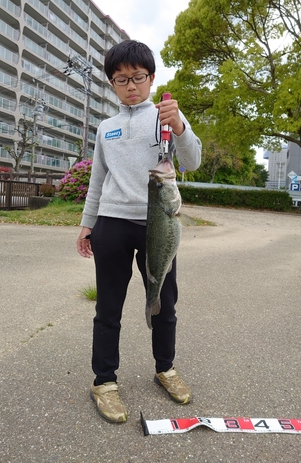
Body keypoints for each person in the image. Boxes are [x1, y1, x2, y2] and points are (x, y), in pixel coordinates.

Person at [76, 39, 202, 423]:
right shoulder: (106, 128)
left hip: (158, 223)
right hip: (112, 223)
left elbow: (191, 160)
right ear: (111, 84)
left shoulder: (165, 116)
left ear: (151, 78)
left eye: (138, 77)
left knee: (164, 303)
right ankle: (104, 381)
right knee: (107, 307)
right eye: (121, 79)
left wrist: (179, 125)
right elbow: (97, 180)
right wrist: (87, 224)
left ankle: (166, 368)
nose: (131, 86)